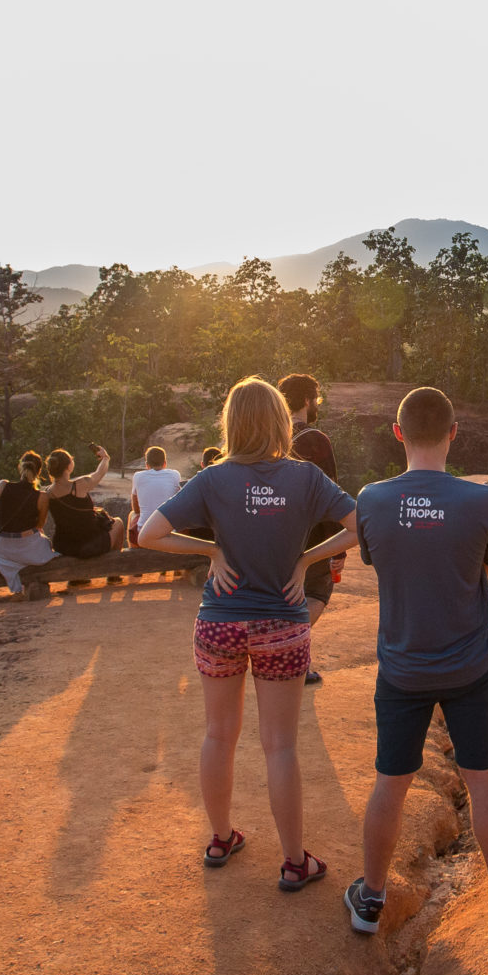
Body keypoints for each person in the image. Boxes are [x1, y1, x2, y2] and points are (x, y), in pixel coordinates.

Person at [137, 377, 358, 890]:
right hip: (282, 622)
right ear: (282, 421)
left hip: (219, 621)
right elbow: (362, 525)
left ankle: (220, 838)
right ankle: (294, 862)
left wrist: (212, 552)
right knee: (279, 746)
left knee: (219, 734)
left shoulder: (214, 479)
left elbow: (149, 532)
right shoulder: (304, 478)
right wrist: (306, 559)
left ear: (231, 424)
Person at [343, 387, 488, 937]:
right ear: (454, 433)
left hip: (402, 668)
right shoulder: (480, 502)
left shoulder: (373, 499)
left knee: (389, 784)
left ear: (398, 433)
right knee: (484, 782)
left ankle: (370, 900)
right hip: (469, 666)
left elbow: (379, 560)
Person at [277, 373, 345, 685]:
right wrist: (339, 545)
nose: (316, 403)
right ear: (306, 401)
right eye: (315, 398)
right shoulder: (315, 440)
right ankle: (291, 655)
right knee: (316, 592)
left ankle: (288, 656)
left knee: (284, 595)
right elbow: (331, 494)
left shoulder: (270, 439)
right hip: (312, 537)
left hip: (271, 535)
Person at [43, 445, 129, 586]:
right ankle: (114, 573)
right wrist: (105, 458)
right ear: (69, 466)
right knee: (118, 522)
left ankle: (77, 578)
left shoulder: (47, 493)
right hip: (89, 544)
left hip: (64, 546)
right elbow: (100, 472)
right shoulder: (80, 485)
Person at [0, 451, 56, 594]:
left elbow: (2, 512)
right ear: (38, 471)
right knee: (46, 543)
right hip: (28, 548)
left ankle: (13, 570)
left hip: (3, 548)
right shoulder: (42, 497)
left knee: (5, 552)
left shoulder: (2, 485)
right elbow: (40, 526)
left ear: (20, 467)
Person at [131, 445, 183, 522]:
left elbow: (136, 509)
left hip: (144, 530)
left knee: (132, 514)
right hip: (169, 530)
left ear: (147, 465)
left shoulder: (138, 476)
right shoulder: (175, 475)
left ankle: (134, 534)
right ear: (165, 463)